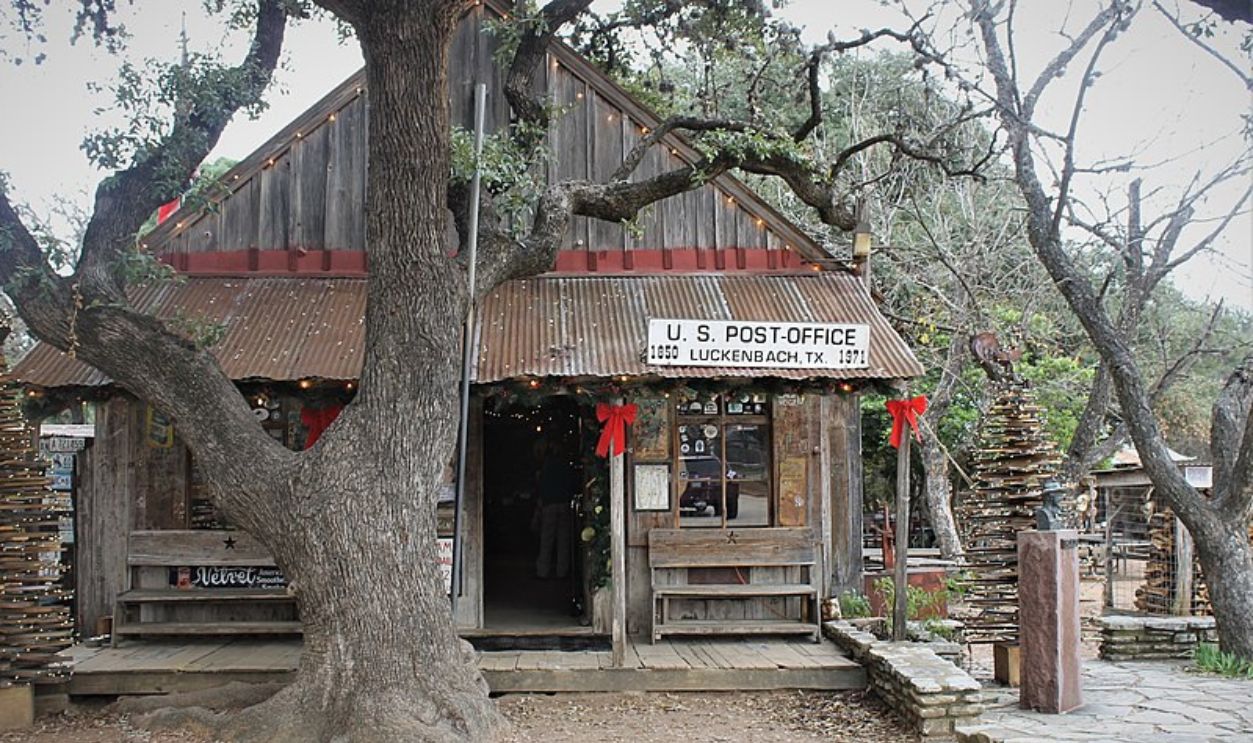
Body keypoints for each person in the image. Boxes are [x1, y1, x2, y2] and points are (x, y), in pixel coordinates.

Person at [535, 439, 577, 579]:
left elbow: (542, 485)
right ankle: (562, 571)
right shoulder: (566, 465)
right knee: (563, 540)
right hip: (564, 503)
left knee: (546, 539)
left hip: (550, 504)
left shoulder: (546, 466)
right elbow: (572, 483)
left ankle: (543, 571)